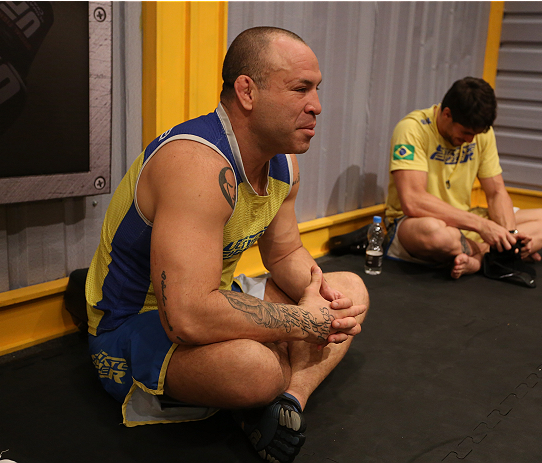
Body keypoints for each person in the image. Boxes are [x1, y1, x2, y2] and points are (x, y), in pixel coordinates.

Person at [85, 27, 368, 463]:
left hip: (215, 300)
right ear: (247, 91)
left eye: (316, 89)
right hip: (137, 322)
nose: (317, 105)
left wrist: (315, 292)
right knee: (254, 370)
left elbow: (285, 254)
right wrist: (306, 324)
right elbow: (187, 318)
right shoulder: (196, 164)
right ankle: (269, 389)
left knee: (350, 289)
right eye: (300, 89)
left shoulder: (283, 164)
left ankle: (288, 402)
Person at [384, 77, 542, 279]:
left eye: (476, 134)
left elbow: (496, 193)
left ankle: (481, 260)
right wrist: (482, 226)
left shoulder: (480, 134)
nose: (470, 140)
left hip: (464, 219)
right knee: (435, 233)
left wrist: (510, 236)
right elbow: (413, 201)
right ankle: (490, 257)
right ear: (447, 114)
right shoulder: (411, 129)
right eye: (466, 132)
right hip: (414, 223)